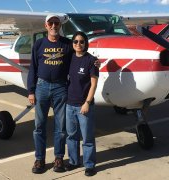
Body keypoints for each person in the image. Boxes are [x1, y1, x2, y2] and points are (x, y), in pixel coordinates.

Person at [27, 14, 72, 174]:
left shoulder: (67, 44)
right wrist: (31, 90)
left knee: (61, 127)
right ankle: (39, 159)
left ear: (60, 26)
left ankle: (58, 158)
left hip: (61, 87)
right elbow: (33, 68)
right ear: (46, 26)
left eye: (56, 23)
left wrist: (93, 61)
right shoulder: (39, 44)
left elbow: (78, 59)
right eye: (51, 23)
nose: (54, 25)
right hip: (42, 86)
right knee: (39, 126)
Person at [65, 31, 99, 177]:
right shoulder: (69, 58)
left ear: (86, 43)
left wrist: (87, 102)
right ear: (72, 44)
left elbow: (93, 84)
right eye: (75, 42)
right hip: (69, 104)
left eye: (81, 41)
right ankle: (73, 161)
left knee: (87, 138)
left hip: (84, 105)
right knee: (71, 136)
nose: (78, 44)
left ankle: (89, 165)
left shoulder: (91, 60)